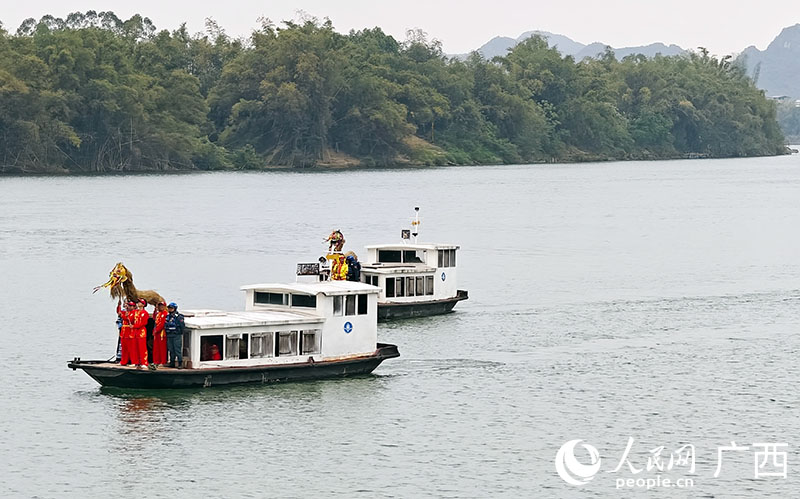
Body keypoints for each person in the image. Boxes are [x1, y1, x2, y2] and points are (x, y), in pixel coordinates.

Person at [130, 299, 150, 369]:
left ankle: (144, 362)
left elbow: (144, 323)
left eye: (140, 302)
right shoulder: (135, 312)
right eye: (138, 302)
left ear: (143, 304)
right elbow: (130, 319)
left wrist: (134, 326)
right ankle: (136, 362)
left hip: (141, 332)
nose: (138, 303)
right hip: (135, 332)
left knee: (142, 348)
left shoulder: (145, 313)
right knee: (135, 348)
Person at [165, 302, 185, 368]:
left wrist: (179, 332)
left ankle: (180, 363)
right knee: (171, 349)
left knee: (177, 349)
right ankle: (172, 362)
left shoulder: (179, 317)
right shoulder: (168, 316)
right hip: (170, 335)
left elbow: (182, 326)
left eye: (171, 308)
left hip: (176, 335)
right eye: (169, 308)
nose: (170, 309)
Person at [117, 300, 135, 365]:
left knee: (131, 348)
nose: (129, 307)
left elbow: (130, 319)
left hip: (129, 332)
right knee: (124, 348)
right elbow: (119, 312)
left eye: (130, 306)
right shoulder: (125, 312)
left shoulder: (134, 313)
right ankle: (123, 361)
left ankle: (133, 362)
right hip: (124, 332)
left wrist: (124, 316)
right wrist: (119, 305)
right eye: (128, 305)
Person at [152, 302, 168, 367]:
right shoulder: (158, 314)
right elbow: (154, 318)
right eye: (159, 306)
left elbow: (162, 324)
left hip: (162, 333)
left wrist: (156, 330)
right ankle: (156, 361)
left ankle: (163, 361)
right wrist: (155, 309)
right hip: (157, 333)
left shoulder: (165, 314)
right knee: (156, 348)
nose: (160, 307)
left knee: (162, 348)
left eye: (162, 306)